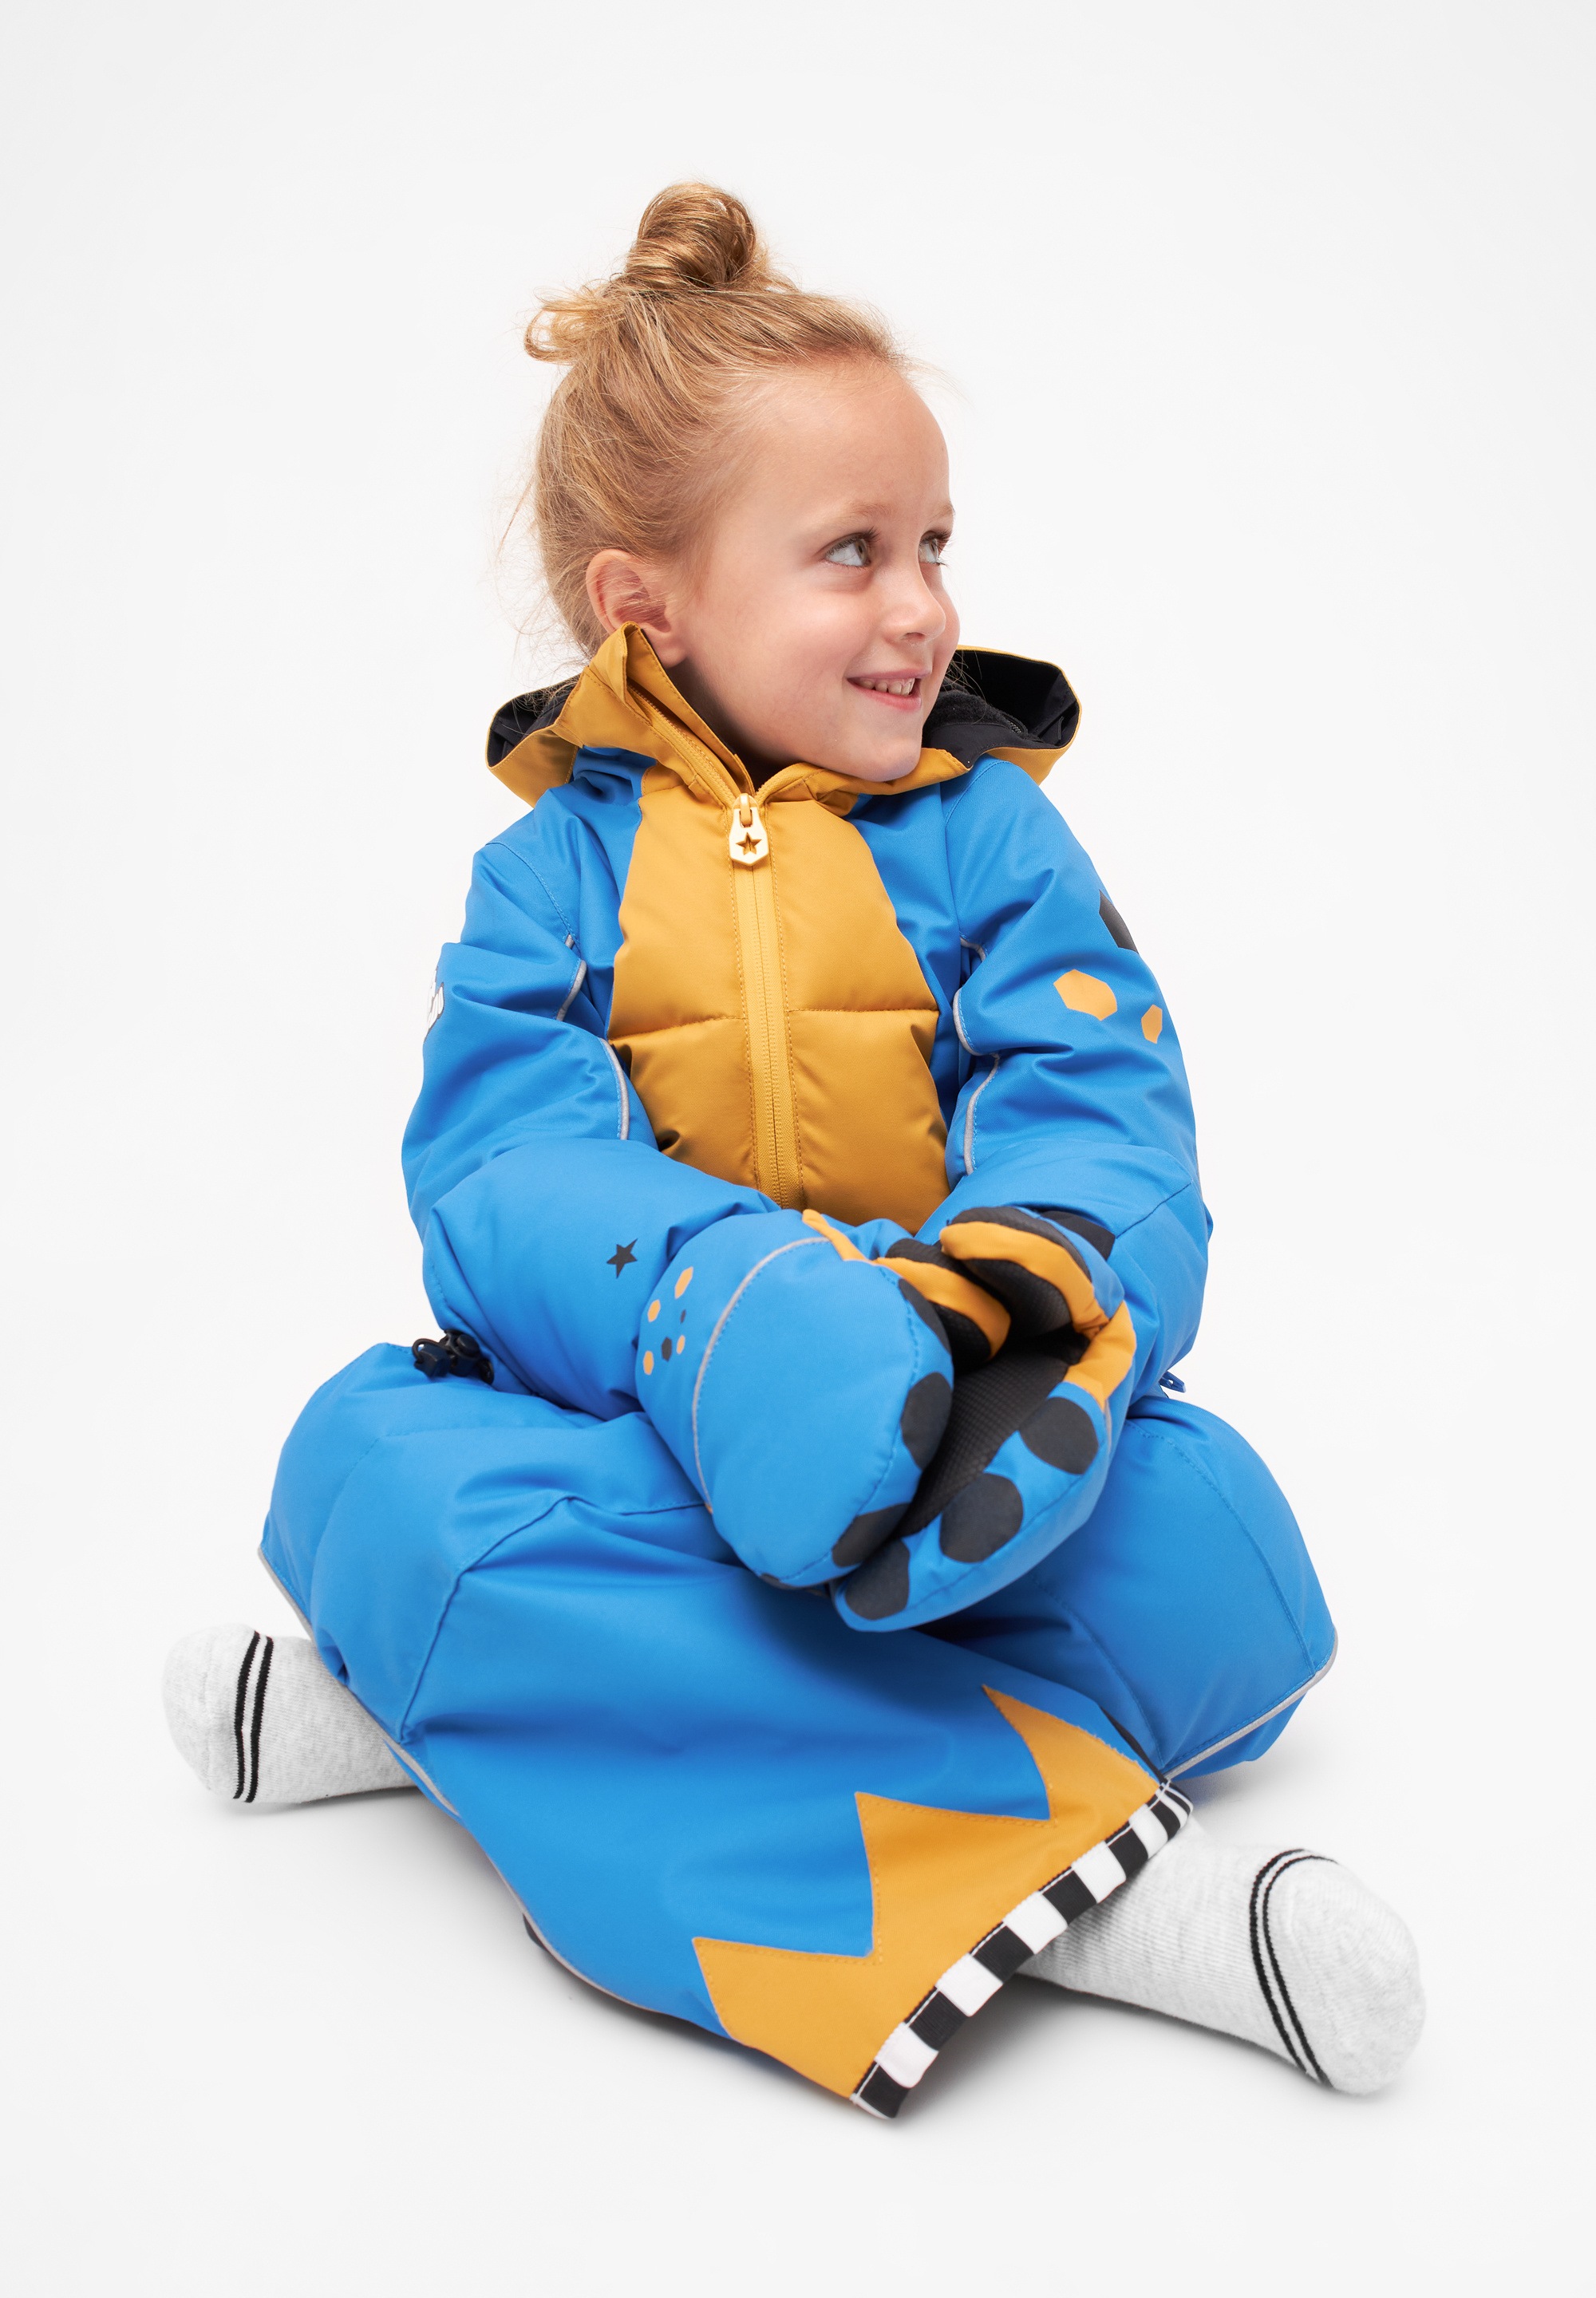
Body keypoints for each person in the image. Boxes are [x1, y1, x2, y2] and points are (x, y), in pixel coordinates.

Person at [164, 184, 1422, 2115]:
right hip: (638, 1439)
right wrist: (726, 1312)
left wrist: (999, 1316)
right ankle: (1104, 1905)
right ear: (646, 606)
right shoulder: (544, 880)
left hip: (954, 1446)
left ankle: (462, 1729)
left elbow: (1106, 1106)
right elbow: (498, 1175)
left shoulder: (992, 840)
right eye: (852, 552)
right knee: (362, 1461)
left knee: (1214, 1551)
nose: (922, 607)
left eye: (933, 546)